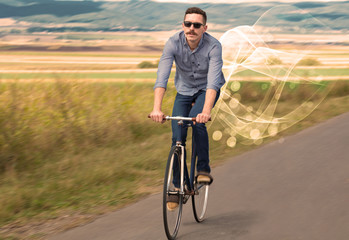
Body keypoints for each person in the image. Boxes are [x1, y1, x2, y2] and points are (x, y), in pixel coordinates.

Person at [149, 7, 225, 210]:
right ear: (183, 25)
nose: (191, 28)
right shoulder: (173, 43)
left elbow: (212, 83)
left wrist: (206, 111)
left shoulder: (213, 46)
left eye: (197, 25)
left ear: (204, 28)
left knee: (197, 122)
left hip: (205, 91)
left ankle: (203, 169)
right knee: (177, 136)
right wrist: (157, 108)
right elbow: (162, 77)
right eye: (187, 24)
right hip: (184, 90)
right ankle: (176, 186)